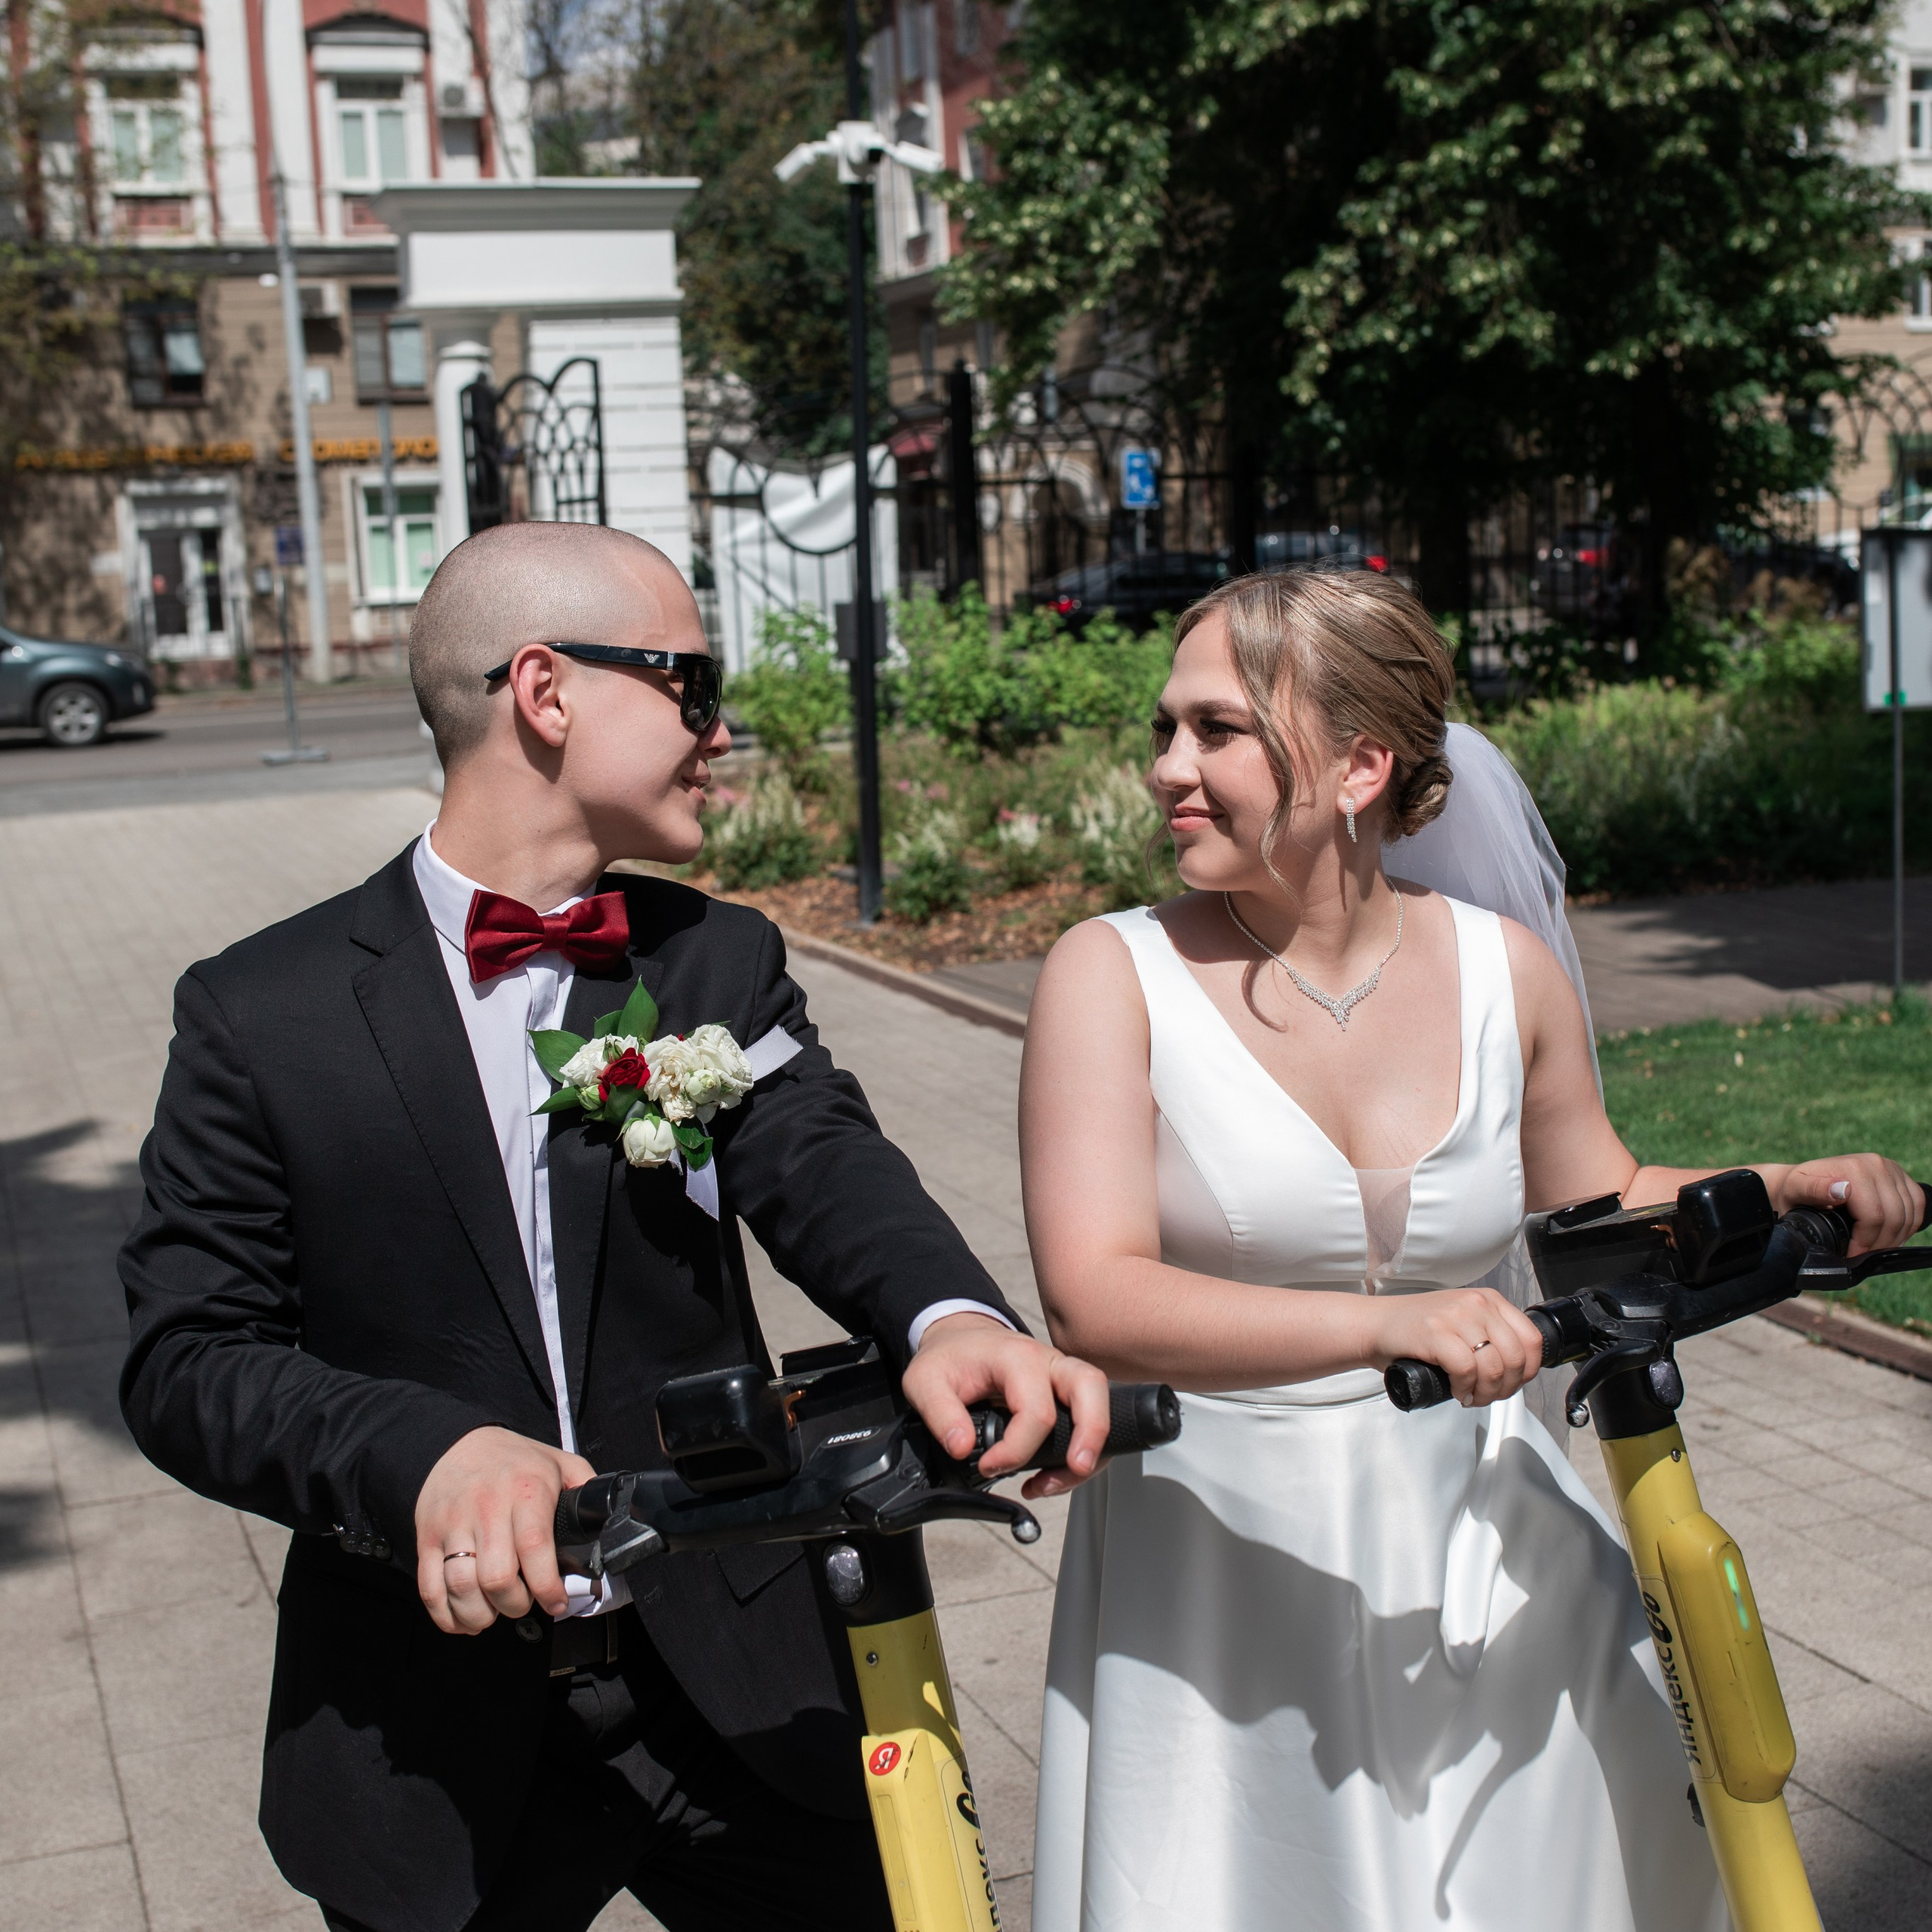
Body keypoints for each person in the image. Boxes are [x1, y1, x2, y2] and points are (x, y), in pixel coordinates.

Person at [118, 521, 1110, 1932]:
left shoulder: (716, 955)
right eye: (691, 688)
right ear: (547, 691)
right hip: (429, 1723)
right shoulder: (256, 1013)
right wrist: (427, 1456)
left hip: (742, 1679)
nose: (724, 733)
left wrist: (951, 1319)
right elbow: (188, 1361)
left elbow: (822, 1160)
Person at [1020, 565, 1923, 1932]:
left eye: (1216, 731)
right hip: (1222, 1577)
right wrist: (1386, 1325)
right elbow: (1097, 1298)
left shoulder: (1507, 970)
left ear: (1359, 764)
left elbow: (1599, 1192)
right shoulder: (1111, 973)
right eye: (1166, 728)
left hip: (1493, 1559)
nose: (1167, 768)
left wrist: (1776, 1179)